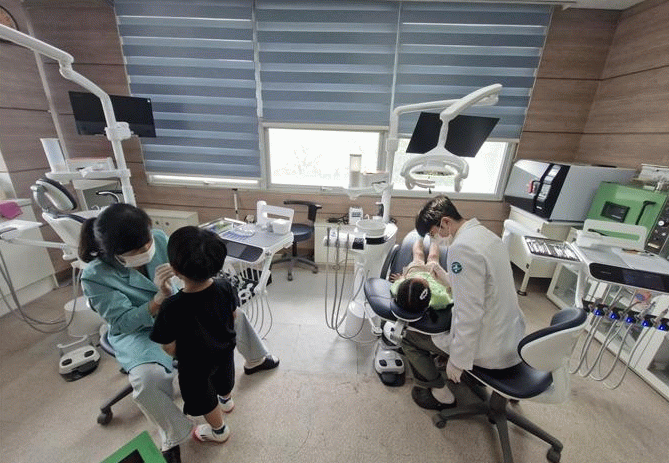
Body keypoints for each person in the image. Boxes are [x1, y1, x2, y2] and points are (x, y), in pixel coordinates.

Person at [79, 204, 279, 463]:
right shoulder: (95, 277)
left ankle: (255, 359)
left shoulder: (159, 240)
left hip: (180, 307)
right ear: (113, 252)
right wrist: (158, 301)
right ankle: (173, 434)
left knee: (234, 315)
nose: (146, 251)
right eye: (137, 251)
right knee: (147, 379)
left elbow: (189, 267)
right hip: (138, 331)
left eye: (147, 243)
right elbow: (123, 322)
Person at [402, 195, 526, 411]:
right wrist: (446, 277)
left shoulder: (461, 249)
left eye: (433, 233)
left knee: (409, 337)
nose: (436, 239)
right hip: (511, 338)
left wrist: (458, 361)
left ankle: (438, 391)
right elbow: (483, 286)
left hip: (489, 347)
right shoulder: (486, 236)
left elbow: (469, 313)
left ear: (445, 222)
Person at [150, 226, 237, 444]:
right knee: (225, 378)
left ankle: (219, 431)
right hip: (224, 350)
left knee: (204, 398)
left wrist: (164, 292)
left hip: (195, 365)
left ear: (174, 270)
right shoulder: (225, 286)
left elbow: (168, 346)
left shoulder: (171, 306)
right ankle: (226, 401)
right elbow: (233, 315)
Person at [389, 237, 453, 312]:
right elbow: (451, 292)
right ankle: (435, 238)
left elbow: (398, 283)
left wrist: (401, 278)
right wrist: (445, 280)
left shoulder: (398, 291)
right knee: (433, 256)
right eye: (424, 281)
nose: (421, 277)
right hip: (433, 277)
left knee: (418, 254)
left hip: (414, 272)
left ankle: (420, 236)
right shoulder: (439, 299)